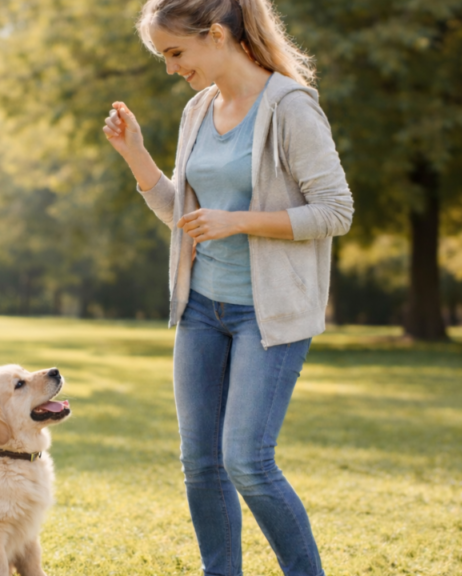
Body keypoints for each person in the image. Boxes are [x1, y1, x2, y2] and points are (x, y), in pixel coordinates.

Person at [102, 1, 354, 575]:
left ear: (216, 35)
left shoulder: (290, 107)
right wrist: (135, 154)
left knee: (248, 462)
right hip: (200, 310)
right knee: (200, 464)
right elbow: (185, 216)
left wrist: (238, 221)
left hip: (267, 315)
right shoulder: (198, 109)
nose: (171, 68)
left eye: (175, 53)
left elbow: (335, 211)